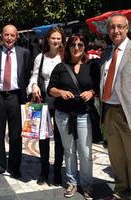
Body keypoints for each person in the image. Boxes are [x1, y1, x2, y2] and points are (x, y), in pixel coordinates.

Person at [47, 33, 100, 199]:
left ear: (84, 47)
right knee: (69, 151)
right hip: (64, 115)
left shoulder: (91, 66)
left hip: (84, 115)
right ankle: (71, 182)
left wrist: (91, 92)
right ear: (68, 48)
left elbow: (98, 88)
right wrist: (61, 92)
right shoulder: (60, 67)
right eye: (73, 45)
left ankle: (87, 184)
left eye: (80, 45)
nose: (76, 48)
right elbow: (50, 89)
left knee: (85, 152)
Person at [0, 24, 31, 179]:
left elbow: (26, 74)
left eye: (12, 35)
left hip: (16, 97)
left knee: (16, 134)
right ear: (2, 36)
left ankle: (15, 166)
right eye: (6, 35)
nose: (9, 38)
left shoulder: (24, 53)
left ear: (17, 36)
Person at [28, 27, 66, 186]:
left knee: (59, 138)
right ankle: (44, 170)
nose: (56, 41)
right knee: (43, 136)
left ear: (62, 40)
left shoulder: (65, 57)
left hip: (61, 102)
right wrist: (34, 85)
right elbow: (34, 76)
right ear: (48, 39)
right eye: (53, 38)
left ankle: (57, 170)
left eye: (58, 38)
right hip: (43, 101)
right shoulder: (40, 58)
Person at [100, 14, 131, 200]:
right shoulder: (106, 53)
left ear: (127, 28)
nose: (116, 31)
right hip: (109, 111)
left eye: (120, 27)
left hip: (127, 111)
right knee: (116, 156)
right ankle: (121, 190)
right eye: (112, 27)